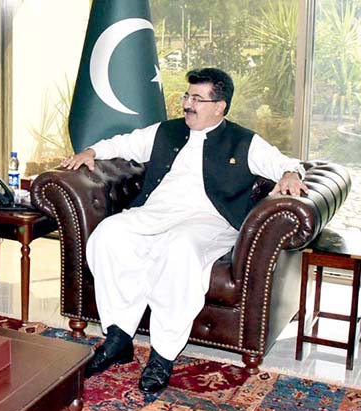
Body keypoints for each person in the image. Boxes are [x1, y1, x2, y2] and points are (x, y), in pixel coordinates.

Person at [61, 68, 307, 393]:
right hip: (157, 212)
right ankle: (119, 336)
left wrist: (290, 173)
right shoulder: (167, 131)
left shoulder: (244, 141)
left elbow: (285, 163)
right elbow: (126, 142)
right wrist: (92, 151)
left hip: (210, 220)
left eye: (197, 99)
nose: (188, 105)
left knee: (179, 248)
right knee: (109, 234)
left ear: (220, 106)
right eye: (187, 96)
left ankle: (162, 355)